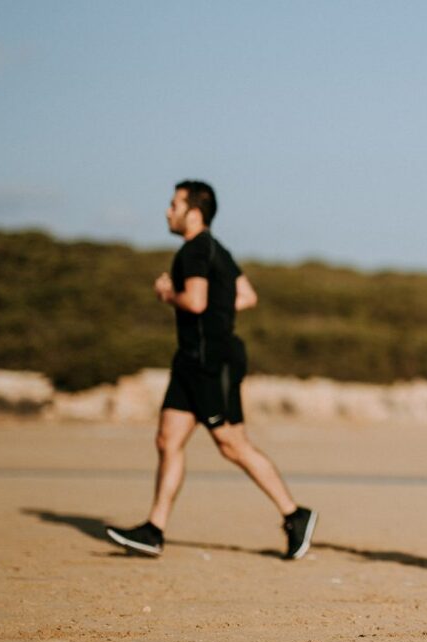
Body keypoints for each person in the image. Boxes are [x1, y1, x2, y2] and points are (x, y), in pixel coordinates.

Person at [106, 180, 317, 560]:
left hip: (211, 362)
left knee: (232, 445)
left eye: (174, 205)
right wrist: (217, 306)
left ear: (194, 213)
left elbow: (196, 302)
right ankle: (154, 530)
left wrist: (167, 294)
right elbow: (246, 296)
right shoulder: (218, 250)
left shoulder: (195, 251)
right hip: (190, 360)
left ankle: (294, 514)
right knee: (167, 440)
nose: (167, 211)